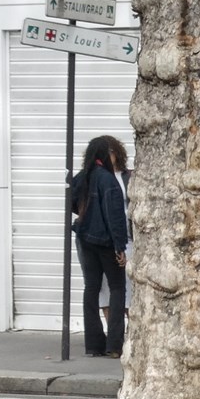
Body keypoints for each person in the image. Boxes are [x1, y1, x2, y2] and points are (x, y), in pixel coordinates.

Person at [69, 134, 131, 359]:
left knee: (91, 289)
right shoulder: (108, 180)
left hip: (85, 239)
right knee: (117, 288)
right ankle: (114, 345)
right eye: (113, 153)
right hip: (105, 242)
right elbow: (115, 216)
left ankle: (93, 345)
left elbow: (71, 201)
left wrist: (85, 215)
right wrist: (120, 247)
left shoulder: (82, 176)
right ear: (108, 154)